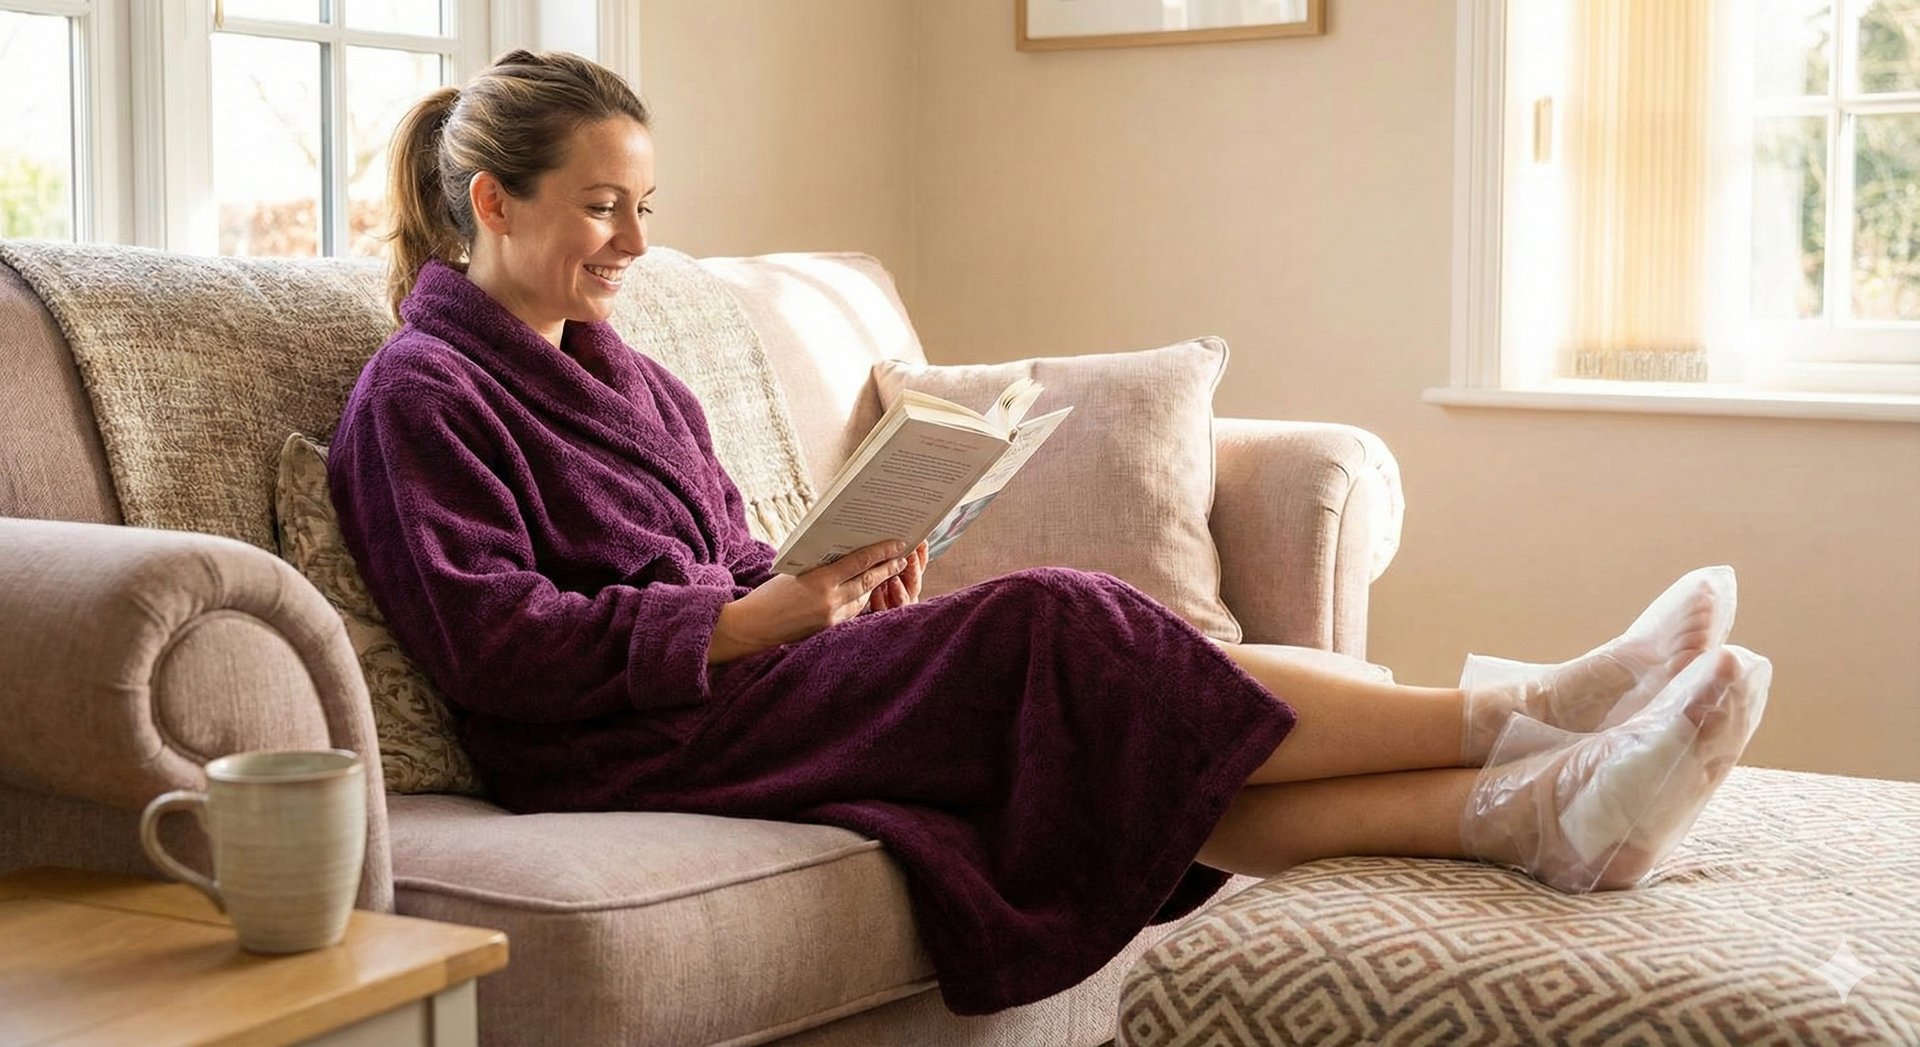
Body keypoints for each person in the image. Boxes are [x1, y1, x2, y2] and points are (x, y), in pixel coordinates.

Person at [328, 51, 1771, 1016]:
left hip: (740, 680)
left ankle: (1537, 814)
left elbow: (730, 549)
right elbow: (495, 643)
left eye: (646, 210)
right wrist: (757, 622)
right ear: (491, 202)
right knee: (1060, 622)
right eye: (602, 211)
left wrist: (832, 573)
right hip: (617, 742)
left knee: (1107, 737)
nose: (636, 249)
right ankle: (1532, 705)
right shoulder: (419, 395)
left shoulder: (627, 373)